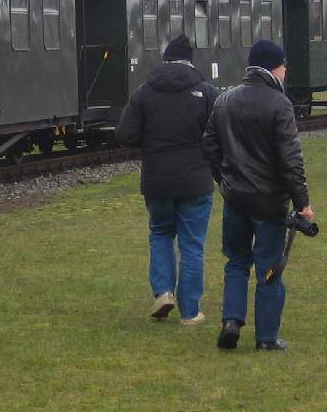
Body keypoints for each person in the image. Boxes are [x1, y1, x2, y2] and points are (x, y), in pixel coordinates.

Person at [202, 38, 313, 351]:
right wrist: (303, 203)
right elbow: (291, 161)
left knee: (236, 261)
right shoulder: (280, 105)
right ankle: (266, 337)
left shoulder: (225, 99)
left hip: (235, 197)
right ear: (274, 67)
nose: (286, 70)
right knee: (269, 268)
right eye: (283, 65)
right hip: (269, 202)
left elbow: (209, 145)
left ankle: (231, 321)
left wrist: (223, 181)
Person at [115, 34, 220, 325]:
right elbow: (219, 134)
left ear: (165, 59)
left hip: (157, 180)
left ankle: (162, 292)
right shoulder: (206, 92)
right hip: (195, 181)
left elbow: (125, 134)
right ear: (189, 59)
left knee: (160, 234)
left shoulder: (144, 93)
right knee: (192, 244)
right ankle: (190, 311)